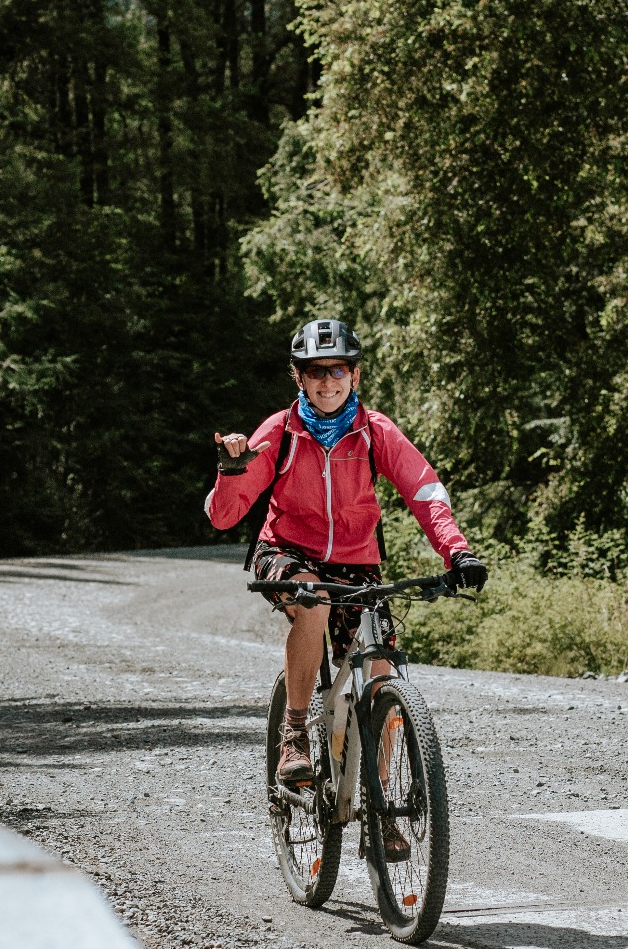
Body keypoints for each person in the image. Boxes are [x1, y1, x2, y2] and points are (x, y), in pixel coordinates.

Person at [205, 318, 487, 827]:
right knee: (311, 600)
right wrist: (231, 471)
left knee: (380, 670)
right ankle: (294, 734)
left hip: (356, 562)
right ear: (299, 377)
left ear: (354, 375)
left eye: (337, 370)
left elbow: (424, 490)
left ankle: (382, 811)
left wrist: (457, 553)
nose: (327, 381)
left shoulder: (376, 432)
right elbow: (224, 515)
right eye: (315, 371)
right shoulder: (280, 431)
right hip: (287, 551)